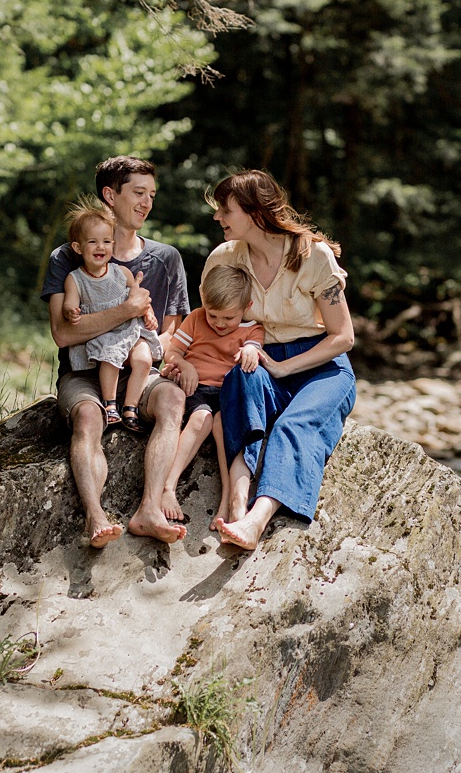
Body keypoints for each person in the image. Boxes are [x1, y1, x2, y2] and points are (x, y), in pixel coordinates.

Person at [202, 169, 357, 550]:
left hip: (322, 367)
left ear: (255, 213)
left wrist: (286, 367)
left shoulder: (312, 255)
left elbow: (344, 337)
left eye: (226, 209)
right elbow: (209, 322)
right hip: (261, 357)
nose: (218, 217)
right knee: (240, 379)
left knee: (293, 425)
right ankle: (237, 502)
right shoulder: (225, 257)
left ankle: (258, 519)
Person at [42, 156, 189, 546]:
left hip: (140, 373)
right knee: (88, 419)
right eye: (138, 193)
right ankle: (96, 518)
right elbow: (62, 333)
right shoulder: (69, 257)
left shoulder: (166, 258)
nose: (147, 203)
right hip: (84, 376)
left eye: (152, 195)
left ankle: (150, 510)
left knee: (173, 400)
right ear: (110, 195)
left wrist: (149, 350)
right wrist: (126, 311)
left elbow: (171, 333)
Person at [158, 264, 264, 525]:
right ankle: (167, 487)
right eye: (213, 315)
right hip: (196, 389)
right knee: (203, 418)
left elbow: (254, 348)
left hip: (227, 394)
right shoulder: (195, 318)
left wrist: (251, 351)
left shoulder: (253, 329)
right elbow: (172, 353)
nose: (218, 324)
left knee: (221, 427)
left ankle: (227, 500)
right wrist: (184, 365)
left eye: (228, 318)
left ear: (246, 307)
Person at [60, 202, 162, 430]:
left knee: (145, 358)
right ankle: (110, 404)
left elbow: (139, 297)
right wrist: (71, 311)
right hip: (104, 334)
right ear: (78, 247)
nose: (101, 247)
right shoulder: (75, 279)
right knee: (110, 356)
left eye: (106, 242)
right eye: (93, 242)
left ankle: (131, 407)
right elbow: (70, 302)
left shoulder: (121, 272)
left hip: (130, 330)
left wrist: (149, 313)